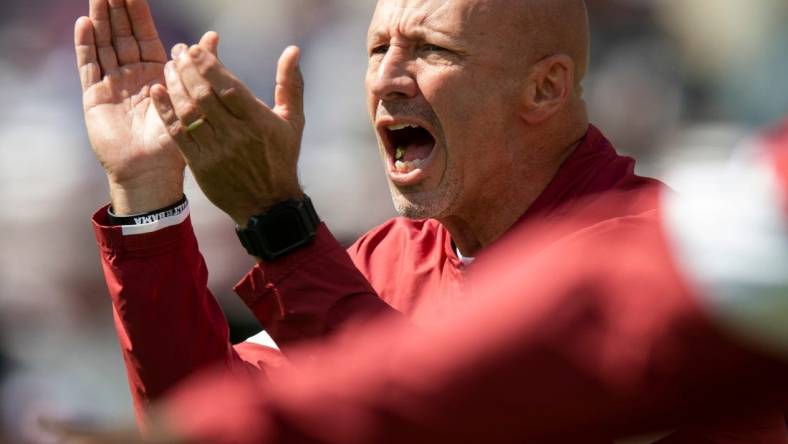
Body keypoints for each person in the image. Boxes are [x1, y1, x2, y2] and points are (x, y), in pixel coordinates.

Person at [74, 0, 786, 441]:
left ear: (545, 88)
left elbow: (467, 422)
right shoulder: (381, 259)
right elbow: (208, 418)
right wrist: (146, 194)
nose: (386, 77)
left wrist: (280, 226)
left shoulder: (654, 251)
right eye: (378, 48)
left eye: (431, 50)